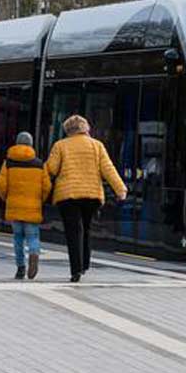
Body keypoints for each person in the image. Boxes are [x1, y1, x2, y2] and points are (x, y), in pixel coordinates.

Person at [45, 115, 127, 283]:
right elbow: (108, 169)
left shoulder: (60, 145)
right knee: (87, 228)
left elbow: (51, 169)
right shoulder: (97, 146)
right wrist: (120, 189)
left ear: (68, 130)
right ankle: (85, 264)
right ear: (86, 128)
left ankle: (76, 270)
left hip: (67, 196)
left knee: (73, 231)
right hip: (91, 195)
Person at [0, 131, 51, 280]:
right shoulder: (39, 164)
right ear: (31, 144)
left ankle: (20, 268)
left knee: (17, 238)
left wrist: (7, 198)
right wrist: (40, 199)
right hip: (33, 208)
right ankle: (34, 253)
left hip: (14, 206)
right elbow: (46, 186)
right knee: (33, 237)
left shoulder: (8, 163)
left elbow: (1, 185)